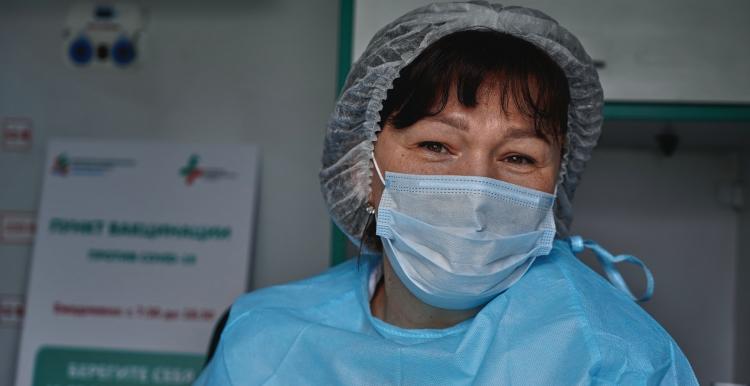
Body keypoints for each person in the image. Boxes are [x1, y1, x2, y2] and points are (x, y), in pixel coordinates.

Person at [195, 2, 698, 384]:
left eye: (518, 157)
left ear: (556, 180)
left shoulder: (615, 356)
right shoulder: (264, 342)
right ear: (359, 169)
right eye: (436, 145)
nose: (477, 188)